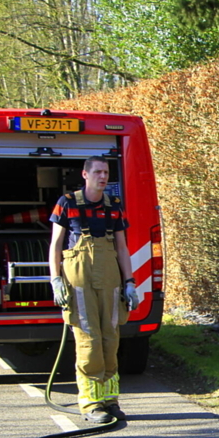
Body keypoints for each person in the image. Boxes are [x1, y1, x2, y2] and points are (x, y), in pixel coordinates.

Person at [48, 156, 139, 423]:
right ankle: (90, 404)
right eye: (98, 172)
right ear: (85, 174)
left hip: (109, 280)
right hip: (79, 281)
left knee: (110, 339)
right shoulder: (67, 203)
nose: (103, 177)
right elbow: (55, 245)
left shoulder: (114, 207)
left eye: (106, 172)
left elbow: (121, 248)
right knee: (89, 341)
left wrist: (130, 282)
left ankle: (111, 400)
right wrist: (55, 280)